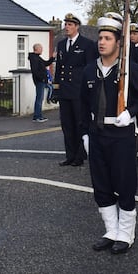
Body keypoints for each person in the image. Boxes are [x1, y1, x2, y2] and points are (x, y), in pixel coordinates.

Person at [81, 15, 138, 255]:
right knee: (101, 185)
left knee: (124, 184)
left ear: (118, 43)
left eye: (107, 38)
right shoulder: (89, 70)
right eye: (100, 38)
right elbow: (82, 106)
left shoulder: (131, 70)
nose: (101, 42)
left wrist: (131, 112)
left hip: (121, 133)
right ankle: (111, 231)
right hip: (97, 133)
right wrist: (84, 133)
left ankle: (126, 234)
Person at [53, 13, 98, 167]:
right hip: (65, 90)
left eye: (70, 24)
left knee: (79, 123)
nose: (66, 27)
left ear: (77, 27)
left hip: (79, 90)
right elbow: (59, 68)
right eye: (65, 24)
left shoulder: (87, 44)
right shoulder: (61, 44)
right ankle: (70, 155)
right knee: (67, 125)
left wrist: (90, 90)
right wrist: (56, 88)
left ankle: (79, 156)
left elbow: (91, 68)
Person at [29, 43, 54, 122]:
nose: (42, 50)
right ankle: (37, 116)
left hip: (41, 80)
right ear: (37, 49)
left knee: (40, 98)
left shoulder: (37, 58)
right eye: (41, 48)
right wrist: (42, 79)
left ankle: (38, 115)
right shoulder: (34, 58)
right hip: (40, 81)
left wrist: (52, 58)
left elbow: (46, 63)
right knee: (39, 98)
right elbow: (35, 71)